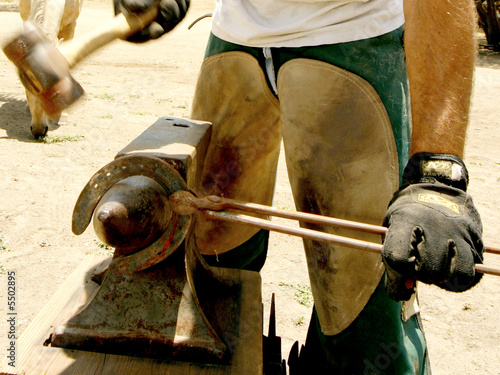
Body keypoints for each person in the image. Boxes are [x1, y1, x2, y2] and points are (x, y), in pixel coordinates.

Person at [114, 0, 485, 373]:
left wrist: (437, 170)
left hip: (352, 34)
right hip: (236, 36)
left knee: (361, 317)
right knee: (208, 268)